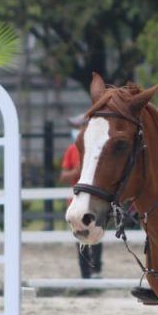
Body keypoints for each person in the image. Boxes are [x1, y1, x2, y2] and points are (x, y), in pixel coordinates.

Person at [60, 114, 102, 279]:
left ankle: (97, 270)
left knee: (97, 232)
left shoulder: (98, 147)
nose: (78, 130)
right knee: (80, 236)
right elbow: (63, 176)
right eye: (77, 127)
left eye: (81, 126)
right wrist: (75, 172)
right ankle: (85, 274)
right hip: (76, 201)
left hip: (94, 200)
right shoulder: (72, 150)